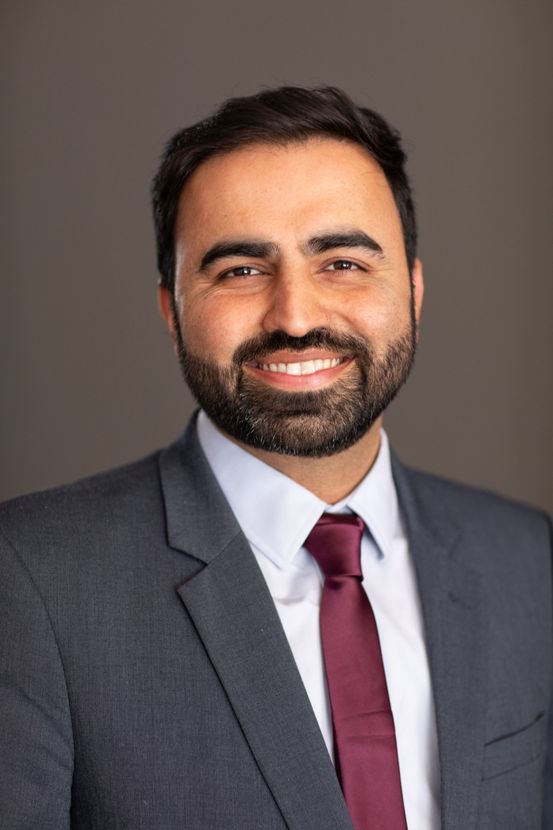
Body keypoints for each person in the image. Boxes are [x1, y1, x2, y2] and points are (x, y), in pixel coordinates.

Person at [0, 86, 551, 830]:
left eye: (344, 263)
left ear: (413, 292)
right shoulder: (28, 580)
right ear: (172, 312)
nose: (295, 316)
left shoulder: (527, 560)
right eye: (239, 271)